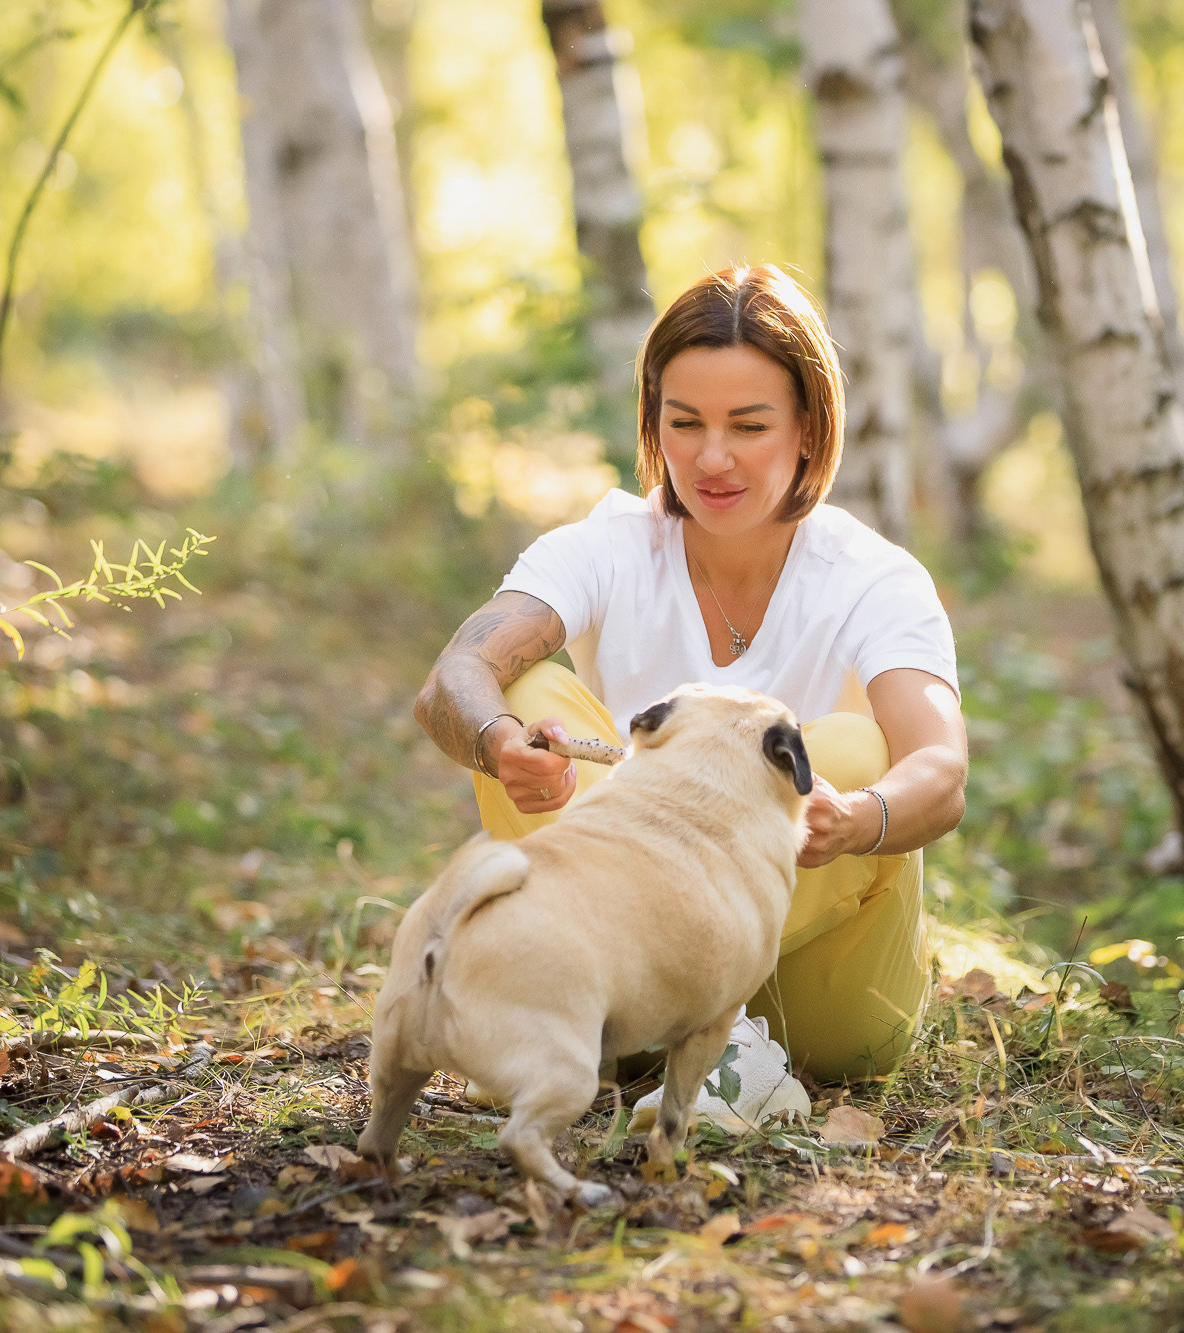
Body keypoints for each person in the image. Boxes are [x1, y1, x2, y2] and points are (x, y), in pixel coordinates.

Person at [413, 263, 967, 1121]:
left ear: (810, 429)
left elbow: (941, 766)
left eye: (749, 425)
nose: (712, 458)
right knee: (522, 688)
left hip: (825, 1001)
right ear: (653, 422)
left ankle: (728, 1048)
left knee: (849, 748)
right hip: (633, 976)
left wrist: (862, 817)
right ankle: (689, 1041)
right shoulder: (607, 547)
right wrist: (498, 742)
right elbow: (454, 676)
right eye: (685, 423)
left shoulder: (873, 578)